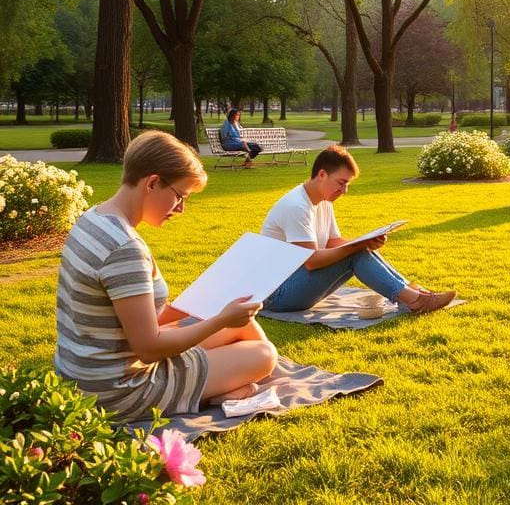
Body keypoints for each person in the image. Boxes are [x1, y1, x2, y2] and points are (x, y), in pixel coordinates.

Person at [54, 131, 277, 423]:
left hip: (86, 373)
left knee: (245, 326)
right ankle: (218, 391)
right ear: (153, 182)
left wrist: (197, 303)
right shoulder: (124, 248)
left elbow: (123, 320)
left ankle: (222, 384)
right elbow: (148, 349)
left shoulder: (94, 219)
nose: (181, 209)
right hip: (118, 390)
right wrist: (220, 320)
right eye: (180, 196)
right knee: (264, 355)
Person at [261, 145, 456, 313]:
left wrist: (366, 243)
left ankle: (413, 295)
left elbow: (332, 242)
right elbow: (311, 262)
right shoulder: (296, 206)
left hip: (296, 284)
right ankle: (414, 300)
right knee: (355, 254)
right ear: (322, 174)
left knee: (358, 251)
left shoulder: (323, 200)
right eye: (341, 183)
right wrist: (356, 247)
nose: (344, 191)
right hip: (277, 295)